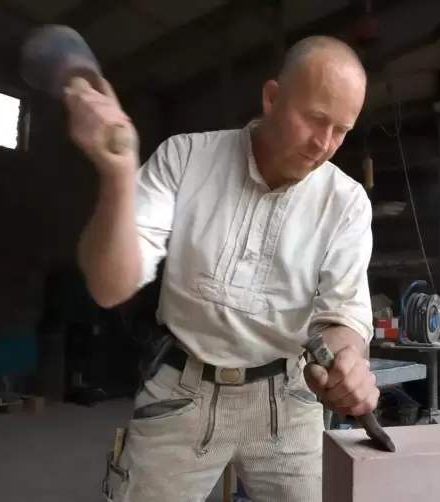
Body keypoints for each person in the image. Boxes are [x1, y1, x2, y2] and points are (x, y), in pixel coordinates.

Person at [66, 35, 377, 502]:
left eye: (341, 130)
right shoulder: (185, 158)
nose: (323, 145)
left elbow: (342, 317)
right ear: (272, 98)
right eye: (314, 119)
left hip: (286, 400)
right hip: (181, 389)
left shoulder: (347, 202)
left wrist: (347, 359)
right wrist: (117, 175)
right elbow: (110, 288)